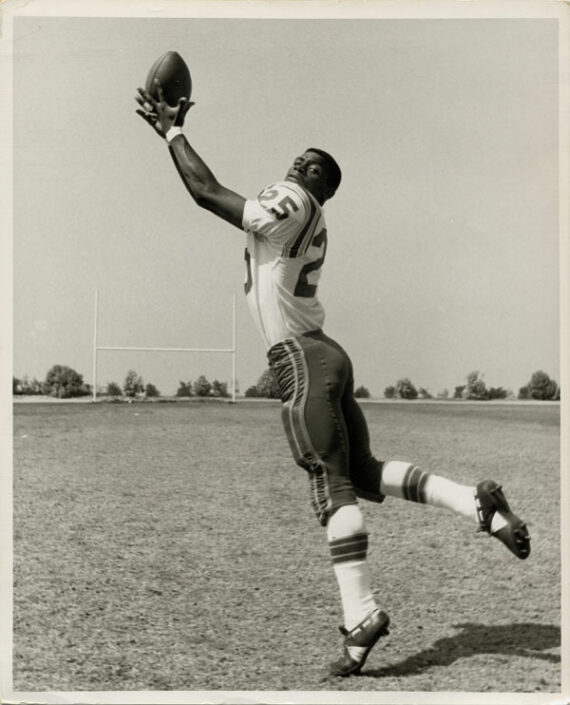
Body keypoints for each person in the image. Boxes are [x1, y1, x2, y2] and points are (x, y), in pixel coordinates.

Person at [135, 83, 531, 677]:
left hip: (301, 356)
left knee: (331, 486)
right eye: (300, 157)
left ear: (324, 187)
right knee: (364, 473)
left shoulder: (292, 200)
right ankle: (479, 505)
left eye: (314, 166)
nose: (300, 164)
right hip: (326, 353)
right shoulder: (302, 213)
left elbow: (207, 193)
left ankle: (362, 614)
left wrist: (171, 132)